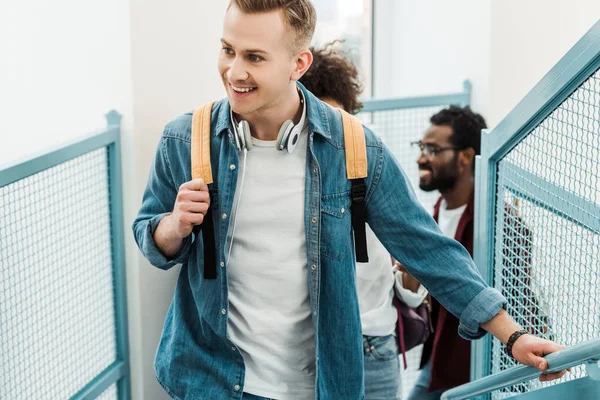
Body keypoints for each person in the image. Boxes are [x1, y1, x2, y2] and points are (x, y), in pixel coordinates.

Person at [132, 1, 566, 399]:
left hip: (319, 386)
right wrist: (174, 225)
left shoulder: (355, 150)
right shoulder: (185, 139)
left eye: (255, 57)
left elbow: (429, 250)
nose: (234, 71)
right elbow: (151, 236)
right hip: (212, 383)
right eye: (228, 50)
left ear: (298, 64)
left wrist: (512, 336)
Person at [300, 41, 427, 399]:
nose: (332, 135)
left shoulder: (370, 166)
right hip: (309, 348)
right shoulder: (288, 181)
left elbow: (412, 283)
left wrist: (412, 272)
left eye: (341, 121)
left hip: (374, 345)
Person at [402, 106, 549, 399]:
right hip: (442, 358)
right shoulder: (430, 216)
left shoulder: (502, 223)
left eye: (432, 149)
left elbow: (516, 298)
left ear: (466, 156)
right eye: (421, 147)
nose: (421, 157)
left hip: (487, 363)